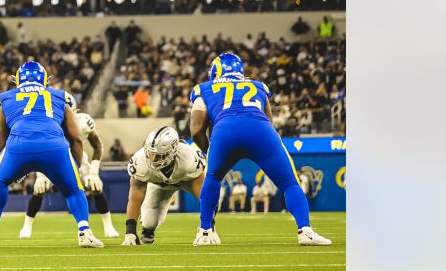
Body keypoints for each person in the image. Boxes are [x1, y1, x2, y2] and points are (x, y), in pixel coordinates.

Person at [189, 51, 331, 246]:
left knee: (213, 178)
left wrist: (210, 150)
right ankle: (305, 230)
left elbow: (196, 130)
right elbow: (269, 120)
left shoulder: (203, 89)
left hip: (225, 132)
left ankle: (205, 232)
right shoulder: (257, 86)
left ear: (215, 72)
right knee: (290, 183)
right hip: (260, 131)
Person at [0, 61, 102, 249]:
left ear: (16, 80)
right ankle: (85, 232)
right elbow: (76, 137)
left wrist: (4, 160)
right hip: (54, 147)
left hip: (18, 146)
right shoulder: (61, 96)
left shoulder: (4, 98)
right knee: (73, 189)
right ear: (47, 80)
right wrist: (75, 168)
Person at [20, 108, 118, 239]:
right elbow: (39, 149)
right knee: (39, 188)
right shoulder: (46, 123)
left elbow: (97, 145)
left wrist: (94, 172)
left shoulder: (83, 122)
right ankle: (27, 226)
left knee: (96, 186)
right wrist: (40, 175)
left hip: (77, 159)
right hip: (52, 160)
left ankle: (108, 225)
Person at [120, 126, 212, 246]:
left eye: (159, 156)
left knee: (212, 201)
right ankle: (148, 230)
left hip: (187, 180)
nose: (153, 160)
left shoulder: (188, 159)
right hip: (160, 185)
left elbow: (203, 195)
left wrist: (208, 227)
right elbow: (135, 194)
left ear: (172, 152)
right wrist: (130, 231)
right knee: (149, 222)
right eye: (151, 154)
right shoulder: (140, 161)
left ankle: (210, 229)